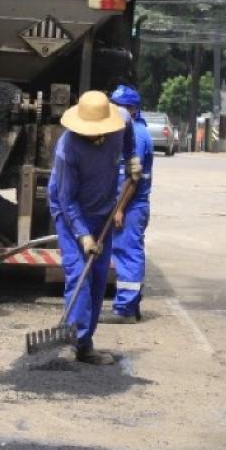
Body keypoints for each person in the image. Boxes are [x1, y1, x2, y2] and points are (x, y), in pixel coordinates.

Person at [48, 91, 141, 365]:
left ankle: (85, 344)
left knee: (99, 278)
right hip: (71, 214)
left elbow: (129, 136)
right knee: (79, 274)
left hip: (103, 208)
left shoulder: (120, 120)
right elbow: (66, 199)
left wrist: (131, 157)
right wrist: (84, 235)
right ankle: (72, 340)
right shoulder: (68, 148)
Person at [103, 85, 154, 324]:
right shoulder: (126, 130)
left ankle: (125, 308)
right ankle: (130, 305)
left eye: (121, 106)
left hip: (132, 206)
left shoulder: (138, 135)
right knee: (125, 252)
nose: (116, 110)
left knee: (127, 253)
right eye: (114, 105)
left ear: (133, 109)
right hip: (127, 204)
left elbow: (134, 177)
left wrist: (120, 209)